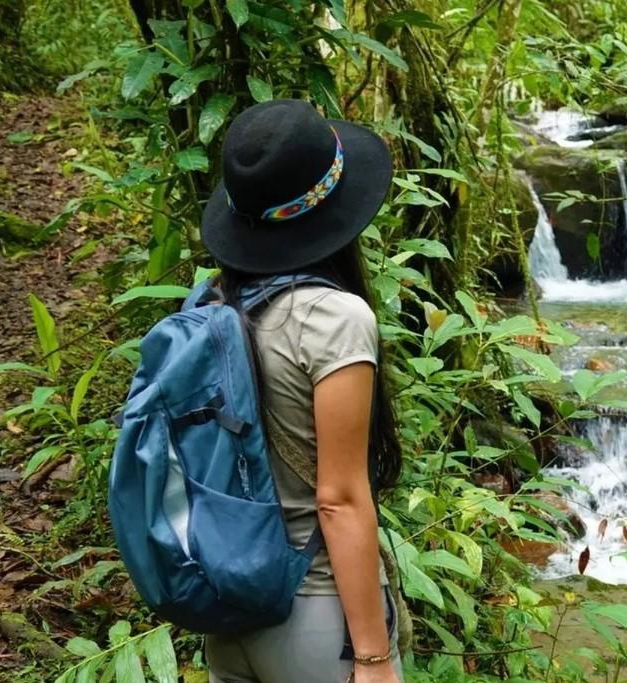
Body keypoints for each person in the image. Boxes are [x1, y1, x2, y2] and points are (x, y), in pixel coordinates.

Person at [199, 99, 403, 683]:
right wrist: (373, 656)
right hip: (316, 619)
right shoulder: (334, 319)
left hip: (230, 613)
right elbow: (338, 499)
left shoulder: (216, 307)